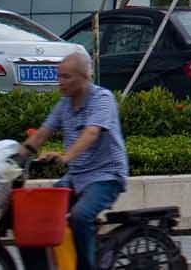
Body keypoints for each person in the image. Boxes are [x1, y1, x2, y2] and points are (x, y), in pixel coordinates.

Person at [21, 50, 127, 269]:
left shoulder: (102, 99)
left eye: (66, 76)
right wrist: (14, 158)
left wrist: (65, 157)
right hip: (76, 176)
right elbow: (42, 133)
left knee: (80, 216)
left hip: (106, 176)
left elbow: (91, 133)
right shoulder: (64, 105)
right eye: (59, 76)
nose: (60, 82)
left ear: (83, 77)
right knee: (37, 217)